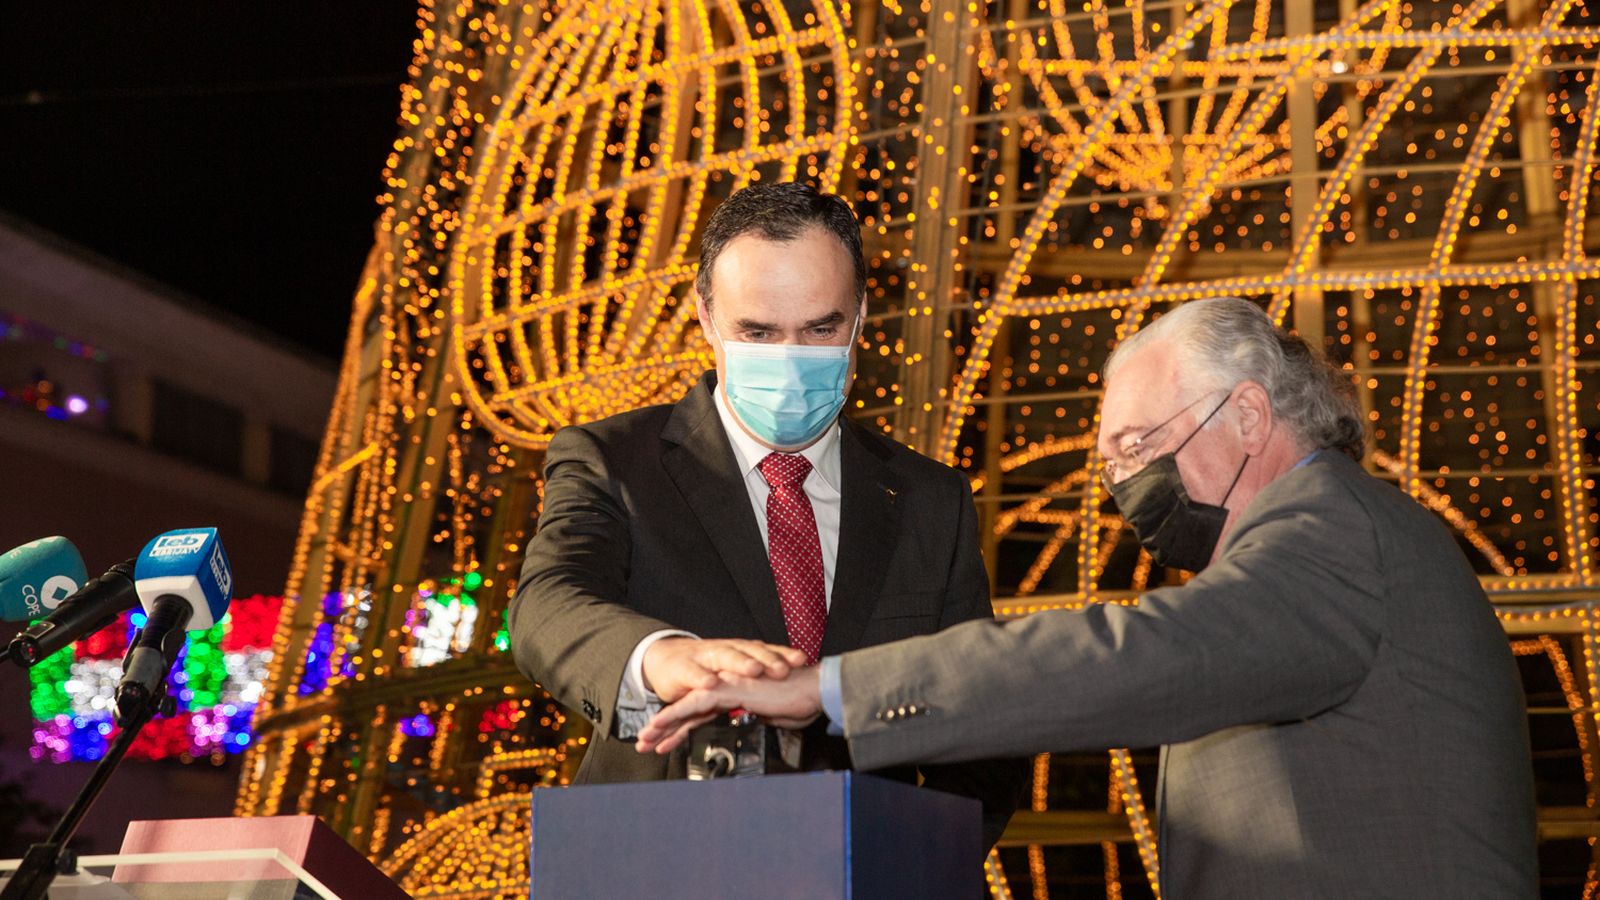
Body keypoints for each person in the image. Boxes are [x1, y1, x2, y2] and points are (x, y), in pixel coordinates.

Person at [638, 297, 1538, 898]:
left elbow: (1134, 655)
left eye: (1139, 444)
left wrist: (829, 689)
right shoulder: (1303, 555)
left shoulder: (1333, 528)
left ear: (1250, 417)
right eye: (1110, 461)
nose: (1121, 484)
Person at [509, 181, 1026, 851]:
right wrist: (662, 658)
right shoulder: (611, 459)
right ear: (705, 318)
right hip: (655, 867)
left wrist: (920, 855)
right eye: (756, 331)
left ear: (861, 318)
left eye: (821, 328)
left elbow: (980, 708)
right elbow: (547, 604)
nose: (789, 358)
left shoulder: (932, 500)